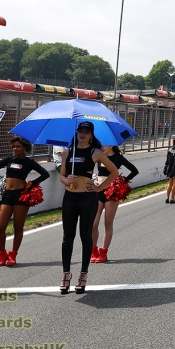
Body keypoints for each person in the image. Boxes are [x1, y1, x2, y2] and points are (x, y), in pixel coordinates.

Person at [59, 122, 119, 295]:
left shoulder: (96, 152)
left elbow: (114, 172)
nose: (83, 134)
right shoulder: (68, 151)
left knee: (85, 236)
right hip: (69, 198)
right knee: (67, 238)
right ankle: (66, 275)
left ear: (91, 135)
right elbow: (61, 176)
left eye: (86, 132)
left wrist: (99, 188)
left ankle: (83, 275)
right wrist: (66, 180)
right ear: (76, 133)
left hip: (87, 198)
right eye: (80, 131)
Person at [0, 135, 50, 267]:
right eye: (13, 147)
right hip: (6, 195)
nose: (15, 149)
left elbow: (45, 174)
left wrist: (33, 183)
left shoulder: (29, 162)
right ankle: (2, 253)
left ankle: (13, 255)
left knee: (18, 227)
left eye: (18, 146)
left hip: (21, 196)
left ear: (25, 148)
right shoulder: (9, 160)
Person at [90, 146, 139, 263]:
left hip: (112, 193)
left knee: (108, 223)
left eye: (104, 145)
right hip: (98, 190)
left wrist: (121, 182)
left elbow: (134, 171)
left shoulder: (118, 158)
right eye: (100, 145)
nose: (102, 147)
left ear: (111, 145)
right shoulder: (98, 156)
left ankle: (103, 252)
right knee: (93, 223)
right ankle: (93, 250)